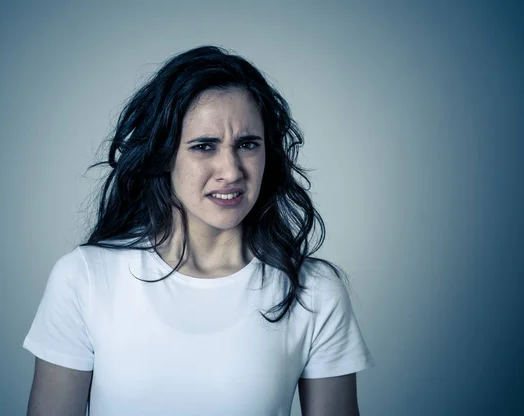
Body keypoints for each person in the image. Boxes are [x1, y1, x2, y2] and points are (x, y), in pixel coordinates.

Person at [23, 45, 374, 416]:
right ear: (164, 153)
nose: (232, 170)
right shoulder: (85, 278)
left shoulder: (314, 291)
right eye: (204, 146)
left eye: (247, 144)